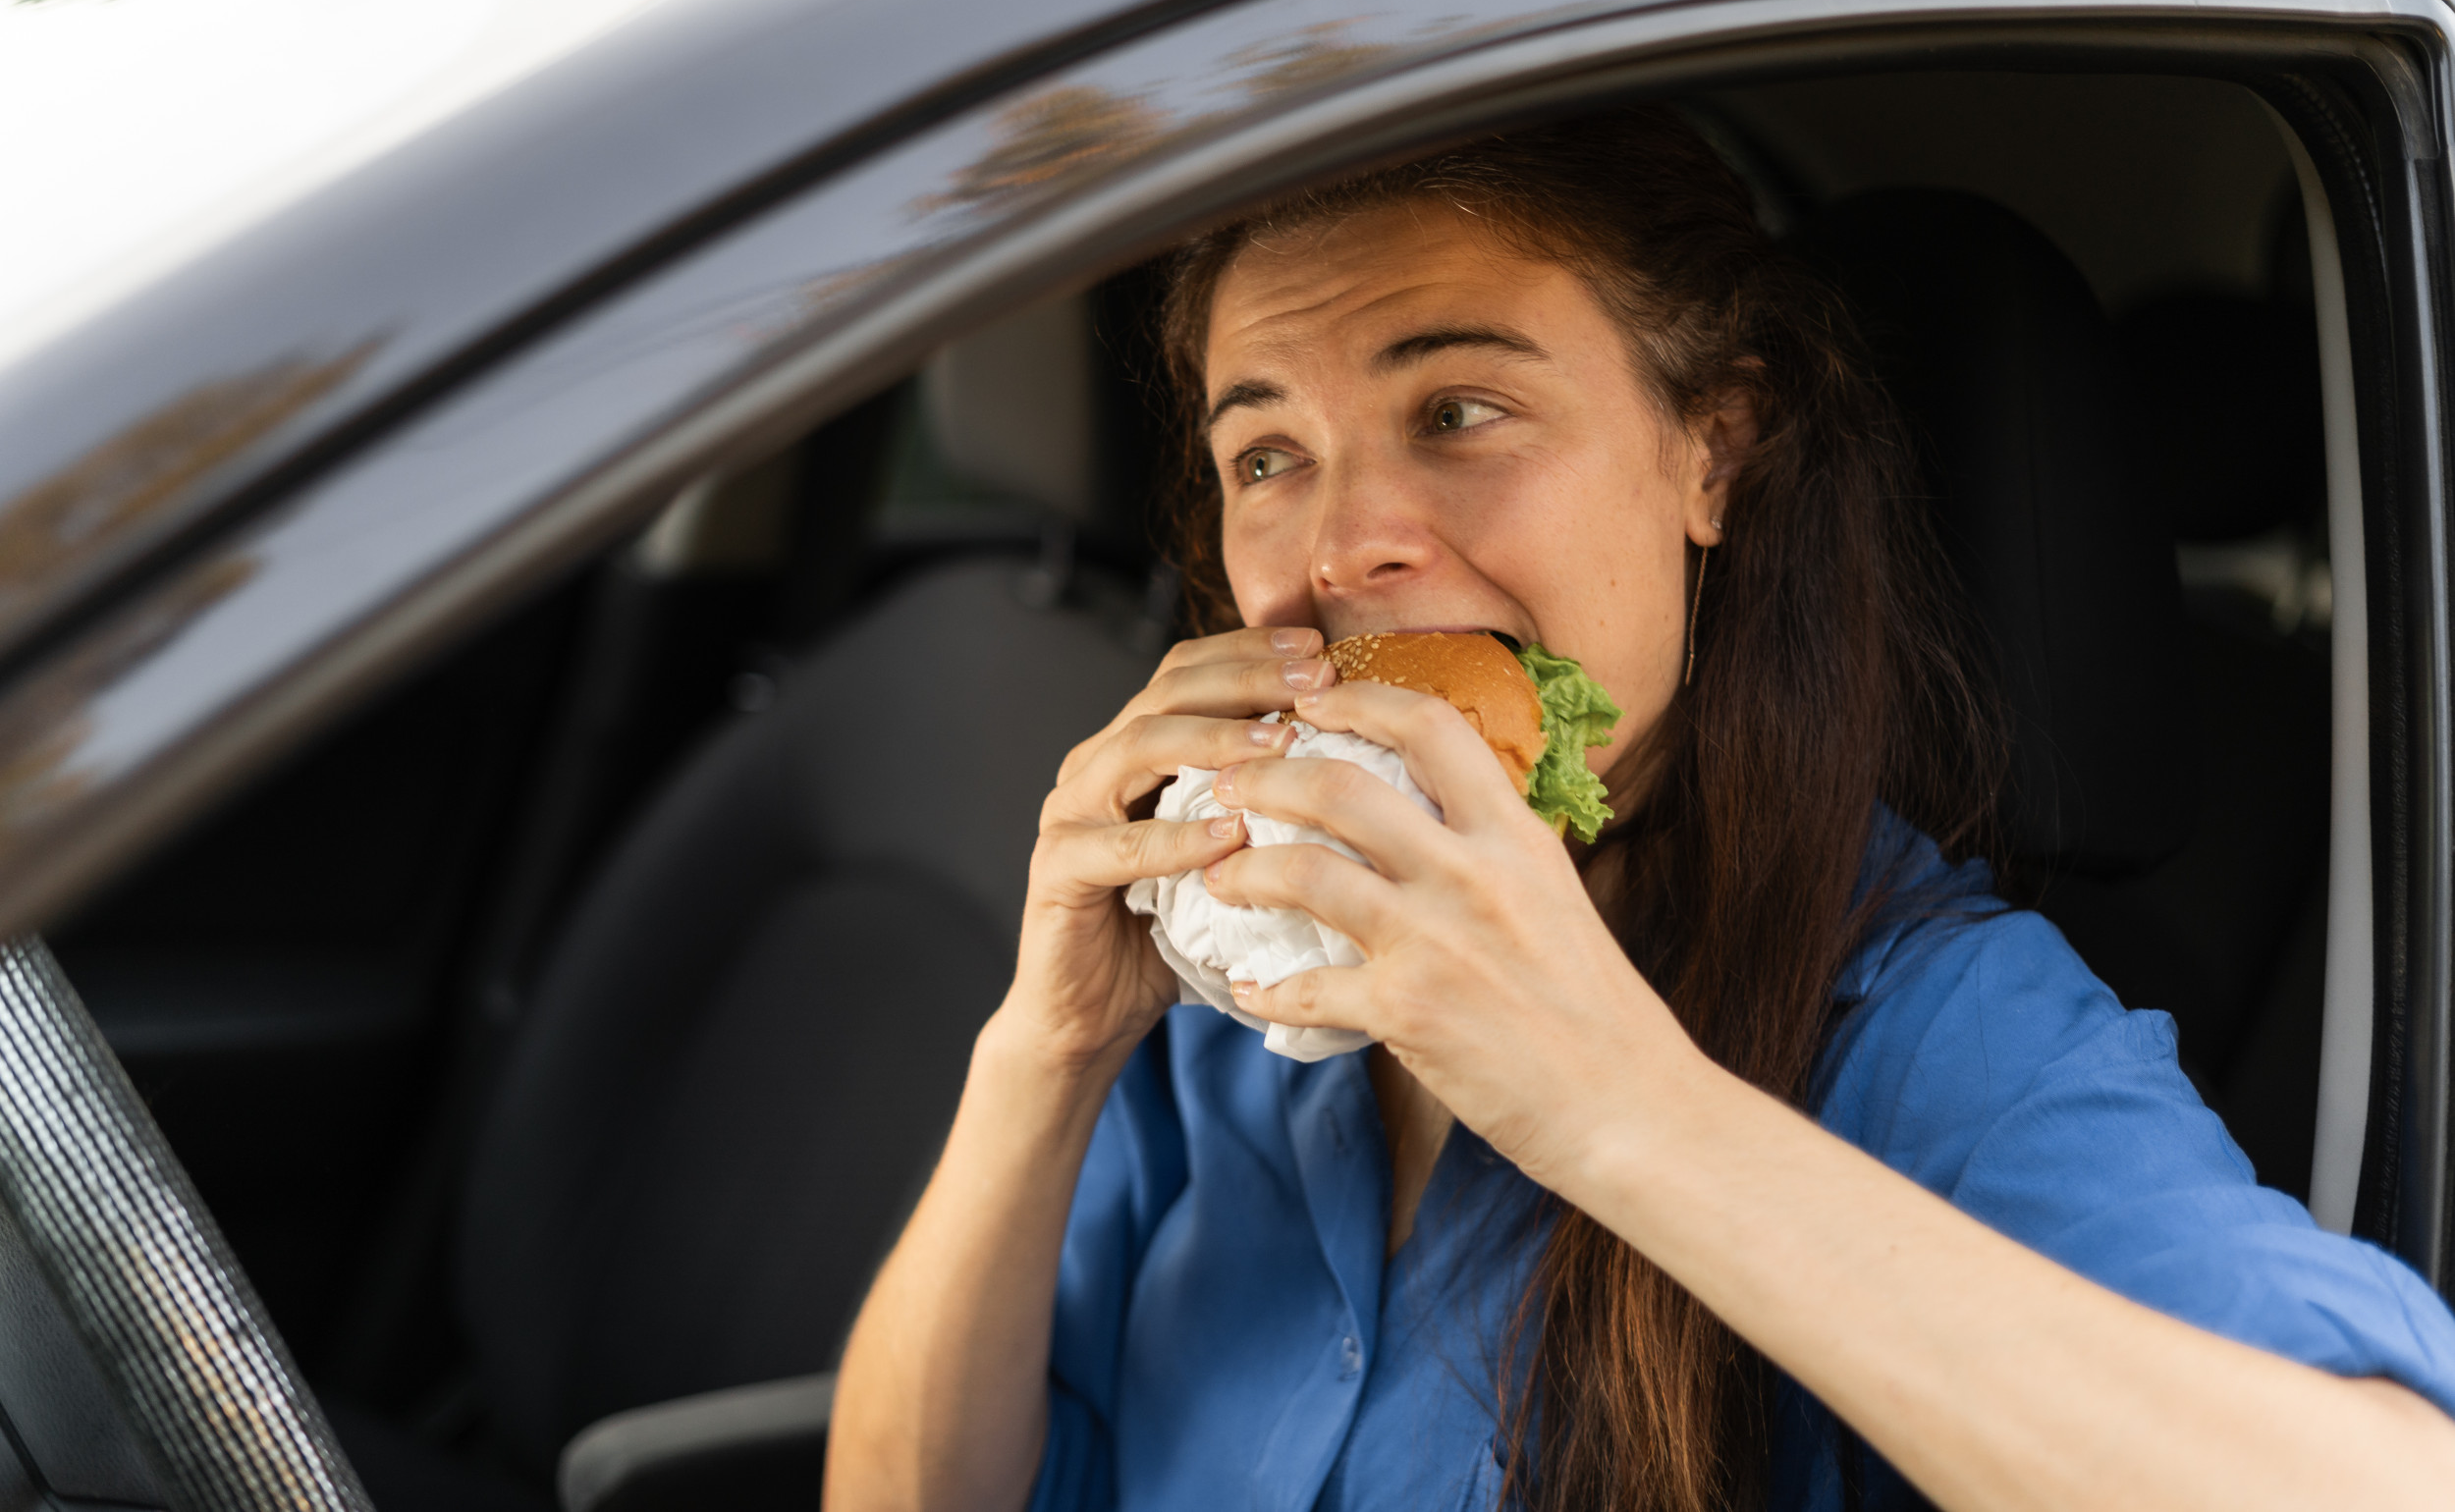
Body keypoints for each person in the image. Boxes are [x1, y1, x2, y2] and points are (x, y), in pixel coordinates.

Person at [823, 108, 2455, 1511]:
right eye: (1268, 455)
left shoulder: (1927, 1027)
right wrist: (1042, 1053)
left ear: (1715, 447)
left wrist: (1612, 1104)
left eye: (1457, 412)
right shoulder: (1236, 1006)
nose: (1342, 547)